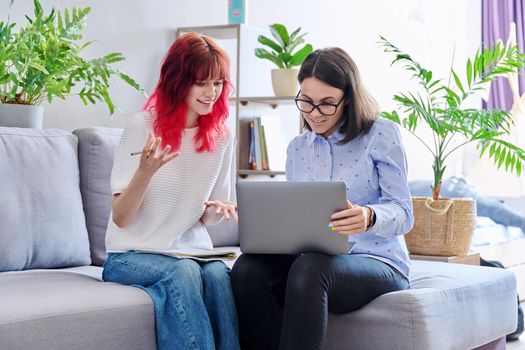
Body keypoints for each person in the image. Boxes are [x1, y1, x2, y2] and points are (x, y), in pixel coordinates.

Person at [231, 47, 414, 350]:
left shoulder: (382, 134)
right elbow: (296, 217)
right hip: (318, 261)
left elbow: (404, 213)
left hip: (378, 262)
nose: (314, 113)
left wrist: (369, 216)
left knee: (310, 269)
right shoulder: (297, 148)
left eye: (327, 104)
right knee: (247, 269)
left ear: (349, 99)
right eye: (306, 102)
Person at [102, 32, 240, 350]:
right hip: (130, 255)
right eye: (202, 83)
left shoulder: (221, 137)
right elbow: (121, 219)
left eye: (218, 83)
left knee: (219, 276)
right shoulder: (142, 127)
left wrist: (215, 212)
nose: (211, 93)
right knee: (183, 273)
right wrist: (145, 173)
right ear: (178, 81)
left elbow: (207, 213)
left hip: (192, 251)